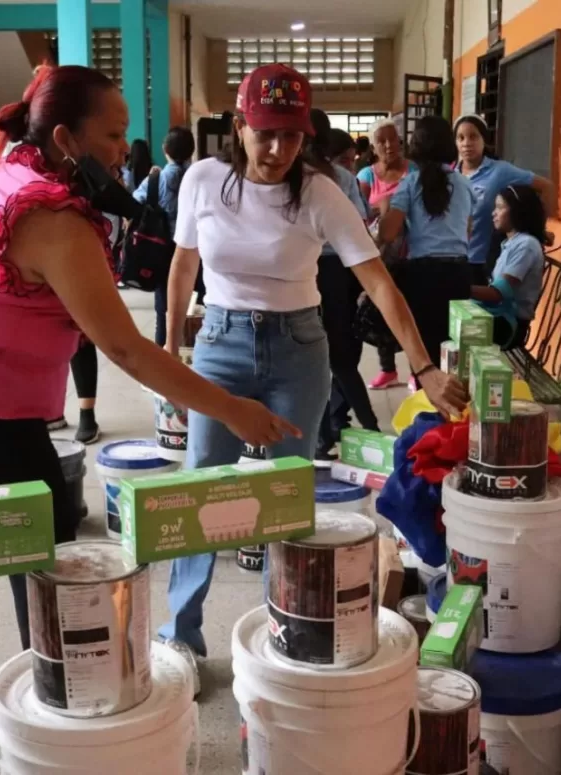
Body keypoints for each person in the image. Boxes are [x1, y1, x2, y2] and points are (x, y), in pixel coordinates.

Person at [0, 65, 296, 710]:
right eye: (113, 134)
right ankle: (61, 693)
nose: (123, 150)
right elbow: (126, 348)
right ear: (66, 139)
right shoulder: (51, 217)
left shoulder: (13, 169)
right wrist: (231, 409)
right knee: (41, 532)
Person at [158, 65, 467, 692]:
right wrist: (169, 353)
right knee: (203, 489)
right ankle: (181, 632)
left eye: (292, 137)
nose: (277, 151)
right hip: (219, 344)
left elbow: (378, 280)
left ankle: (288, 623)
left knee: (285, 494)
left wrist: (425, 368)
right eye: (265, 134)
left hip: (299, 349)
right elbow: (183, 262)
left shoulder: (323, 193)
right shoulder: (204, 180)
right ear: (240, 127)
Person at [378, 115, 478, 368]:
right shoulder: (465, 185)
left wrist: (383, 213)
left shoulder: (410, 183)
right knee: (454, 351)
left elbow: (388, 233)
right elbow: (467, 232)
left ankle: (428, 401)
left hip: (422, 278)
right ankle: (453, 404)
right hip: (459, 274)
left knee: (423, 354)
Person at [309, 110, 380, 460]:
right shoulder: (340, 177)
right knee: (339, 357)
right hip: (338, 269)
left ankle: (323, 438)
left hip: (304, 271)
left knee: (313, 357)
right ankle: (371, 430)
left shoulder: (287, 176)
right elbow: (358, 222)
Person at [454, 114, 552, 285]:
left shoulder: (499, 171)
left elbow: (547, 187)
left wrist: (540, 227)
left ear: (484, 139)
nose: (466, 143)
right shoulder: (451, 176)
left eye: (473, 136)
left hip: (484, 264)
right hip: (453, 261)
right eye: (460, 138)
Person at [357, 119, 415, 391]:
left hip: (411, 254)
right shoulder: (367, 175)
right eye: (382, 141)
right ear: (373, 147)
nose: (389, 146)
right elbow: (356, 213)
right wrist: (382, 208)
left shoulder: (412, 171)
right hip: (377, 256)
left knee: (413, 312)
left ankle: (417, 370)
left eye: (393, 139)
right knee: (380, 314)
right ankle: (388, 369)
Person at [134, 126, 196, 346]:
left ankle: (167, 357)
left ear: (165, 149)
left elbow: (135, 205)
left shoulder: (155, 180)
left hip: (163, 253)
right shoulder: (200, 179)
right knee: (202, 309)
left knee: (165, 312)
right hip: (198, 253)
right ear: (192, 150)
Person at [471, 184, 548, 349]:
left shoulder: (526, 245)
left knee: (443, 324)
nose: (494, 213)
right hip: (498, 317)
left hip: (508, 325)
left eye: (500, 207)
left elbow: (498, 293)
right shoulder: (512, 243)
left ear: (518, 211)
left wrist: (458, 288)